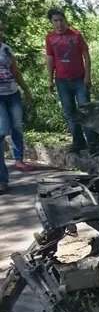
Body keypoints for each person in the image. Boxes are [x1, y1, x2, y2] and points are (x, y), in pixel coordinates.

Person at [45, 8, 99, 154]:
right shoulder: (50, 38)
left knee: (86, 110)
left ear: (65, 19)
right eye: (55, 21)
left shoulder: (75, 35)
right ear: (51, 22)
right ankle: (78, 142)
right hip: (62, 81)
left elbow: (86, 56)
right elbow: (50, 59)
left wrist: (88, 76)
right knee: (69, 112)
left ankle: (94, 143)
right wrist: (50, 80)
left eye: (61, 20)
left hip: (79, 79)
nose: (59, 23)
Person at [0, 20, 33, 195]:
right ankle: (2, 180)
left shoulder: (6, 49)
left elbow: (15, 71)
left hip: (12, 93)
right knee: (1, 131)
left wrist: (26, 90)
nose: (0, 32)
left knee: (17, 126)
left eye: (1, 29)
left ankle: (18, 159)